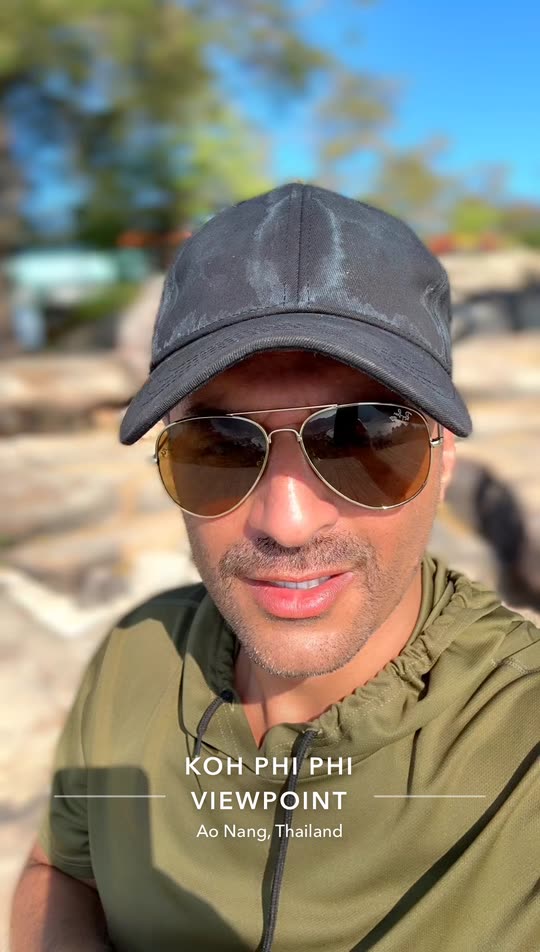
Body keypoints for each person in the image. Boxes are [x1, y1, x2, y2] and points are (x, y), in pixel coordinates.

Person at [10, 183, 539, 952]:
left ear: (445, 457)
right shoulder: (136, 652)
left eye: (364, 436)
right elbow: (59, 867)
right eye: (219, 445)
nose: (287, 523)